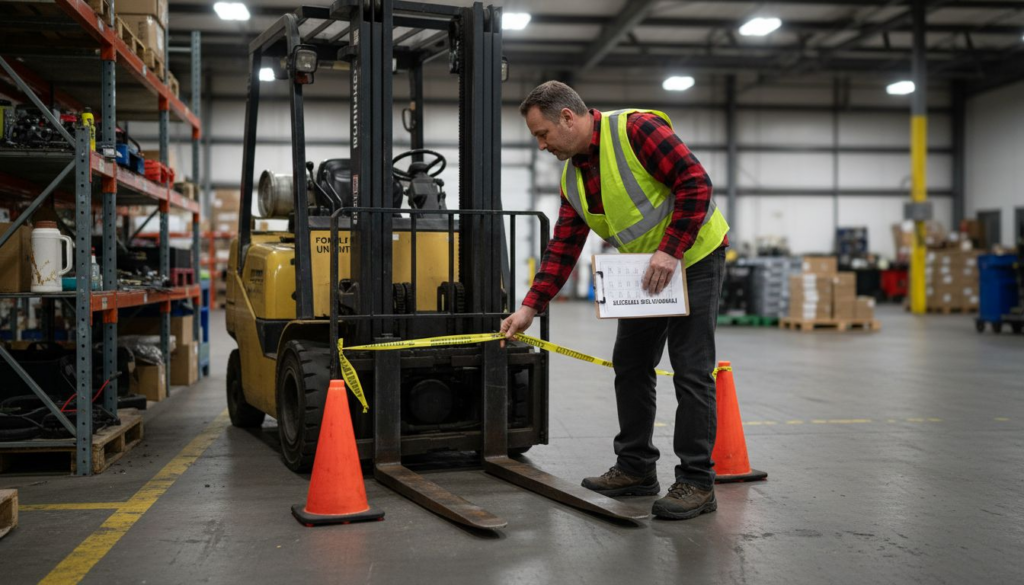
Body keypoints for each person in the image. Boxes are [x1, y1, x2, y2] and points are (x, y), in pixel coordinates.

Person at [500, 81, 729, 521]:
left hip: (694, 255)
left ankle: (698, 482)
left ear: (568, 117)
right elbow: (563, 246)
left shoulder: (635, 131)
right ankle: (637, 468)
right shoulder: (572, 177)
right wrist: (530, 306)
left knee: (691, 369)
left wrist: (671, 249)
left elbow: (696, 183)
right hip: (645, 271)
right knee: (631, 364)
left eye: (542, 134)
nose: (541, 145)